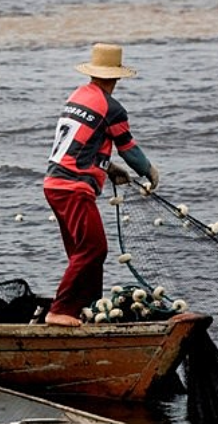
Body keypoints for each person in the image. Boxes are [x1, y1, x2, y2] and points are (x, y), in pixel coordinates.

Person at [43, 43, 160, 327]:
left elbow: (82, 143)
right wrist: (149, 171)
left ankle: (89, 306)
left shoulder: (77, 96)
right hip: (74, 188)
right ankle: (59, 311)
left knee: (82, 252)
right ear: (117, 76)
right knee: (94, 250)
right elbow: (129, 149)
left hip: (54, 183)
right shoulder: (112, 108)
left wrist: (108, 168)